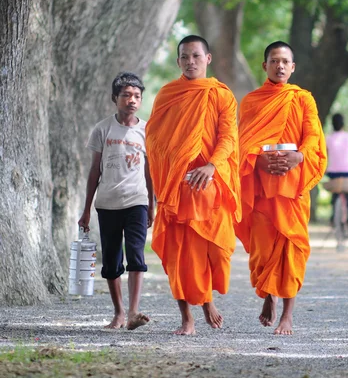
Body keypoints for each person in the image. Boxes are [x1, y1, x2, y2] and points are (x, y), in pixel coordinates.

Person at [145, 35, 241, 336]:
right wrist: (172, 167)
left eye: (196, 56)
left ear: (208, 59)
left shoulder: (221, 95)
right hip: (177, 187)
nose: (190, 62)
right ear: (178, 61)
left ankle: (207, 298)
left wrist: (211, 166)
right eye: (184, 57)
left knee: (216, 252)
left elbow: (228, 137)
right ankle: (187, 319)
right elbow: (154, 141)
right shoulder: (168, 94)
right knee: (180, 256)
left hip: (210, 185)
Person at [236, 41, 326, 336]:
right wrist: (258, 162)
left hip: (293, 188)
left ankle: (287, 315)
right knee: (263, 251)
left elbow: (313, 137)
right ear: (265, 66)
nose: (280, 66)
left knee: (291, 249)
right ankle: (268, 296)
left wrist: (299, 156)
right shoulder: (252, 101)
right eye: (274, 61)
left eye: (285, 61)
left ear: (293, 66)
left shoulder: (303, 99)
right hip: (263, 190)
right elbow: (243, 143)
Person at [78, 72, 154, 330]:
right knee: (111, 261)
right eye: (126, 95)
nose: (131, 100)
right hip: (107, 203)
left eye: (136, 96)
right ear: (115, 98)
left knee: (136, 255)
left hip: (137, 201)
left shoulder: (147, 130)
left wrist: (152, 206)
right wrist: (86, 209)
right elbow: (94, 171)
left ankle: (133, 312)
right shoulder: (102, 129)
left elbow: (149, 171)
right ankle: (119, 313)